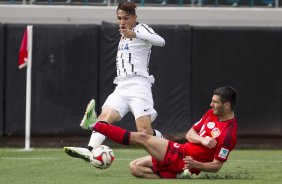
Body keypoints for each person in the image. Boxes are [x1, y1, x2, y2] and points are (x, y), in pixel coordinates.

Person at [64, 0, 165, 161]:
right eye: (119, 18)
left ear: (134, 17)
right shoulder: (123, 35)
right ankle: (90, 149)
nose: (122, 22)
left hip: (139, 84)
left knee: (144, 133)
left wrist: (136, 34)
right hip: (122, 85)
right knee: (106, 115)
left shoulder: (141, 28)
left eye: (126, 18)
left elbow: (161, 41)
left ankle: (167, 146)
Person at [82, 86, 238, 179]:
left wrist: (195, 164)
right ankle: (177, 176)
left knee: (143, 137)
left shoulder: (229, 133)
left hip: (182, 158)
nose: (211, 104)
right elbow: (190, 133)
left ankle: (95, 125)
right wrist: (202, 140)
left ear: (227, 105)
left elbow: (217, 166)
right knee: (134, 167)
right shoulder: (211, 113)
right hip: (181, 151)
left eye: (215, 102)